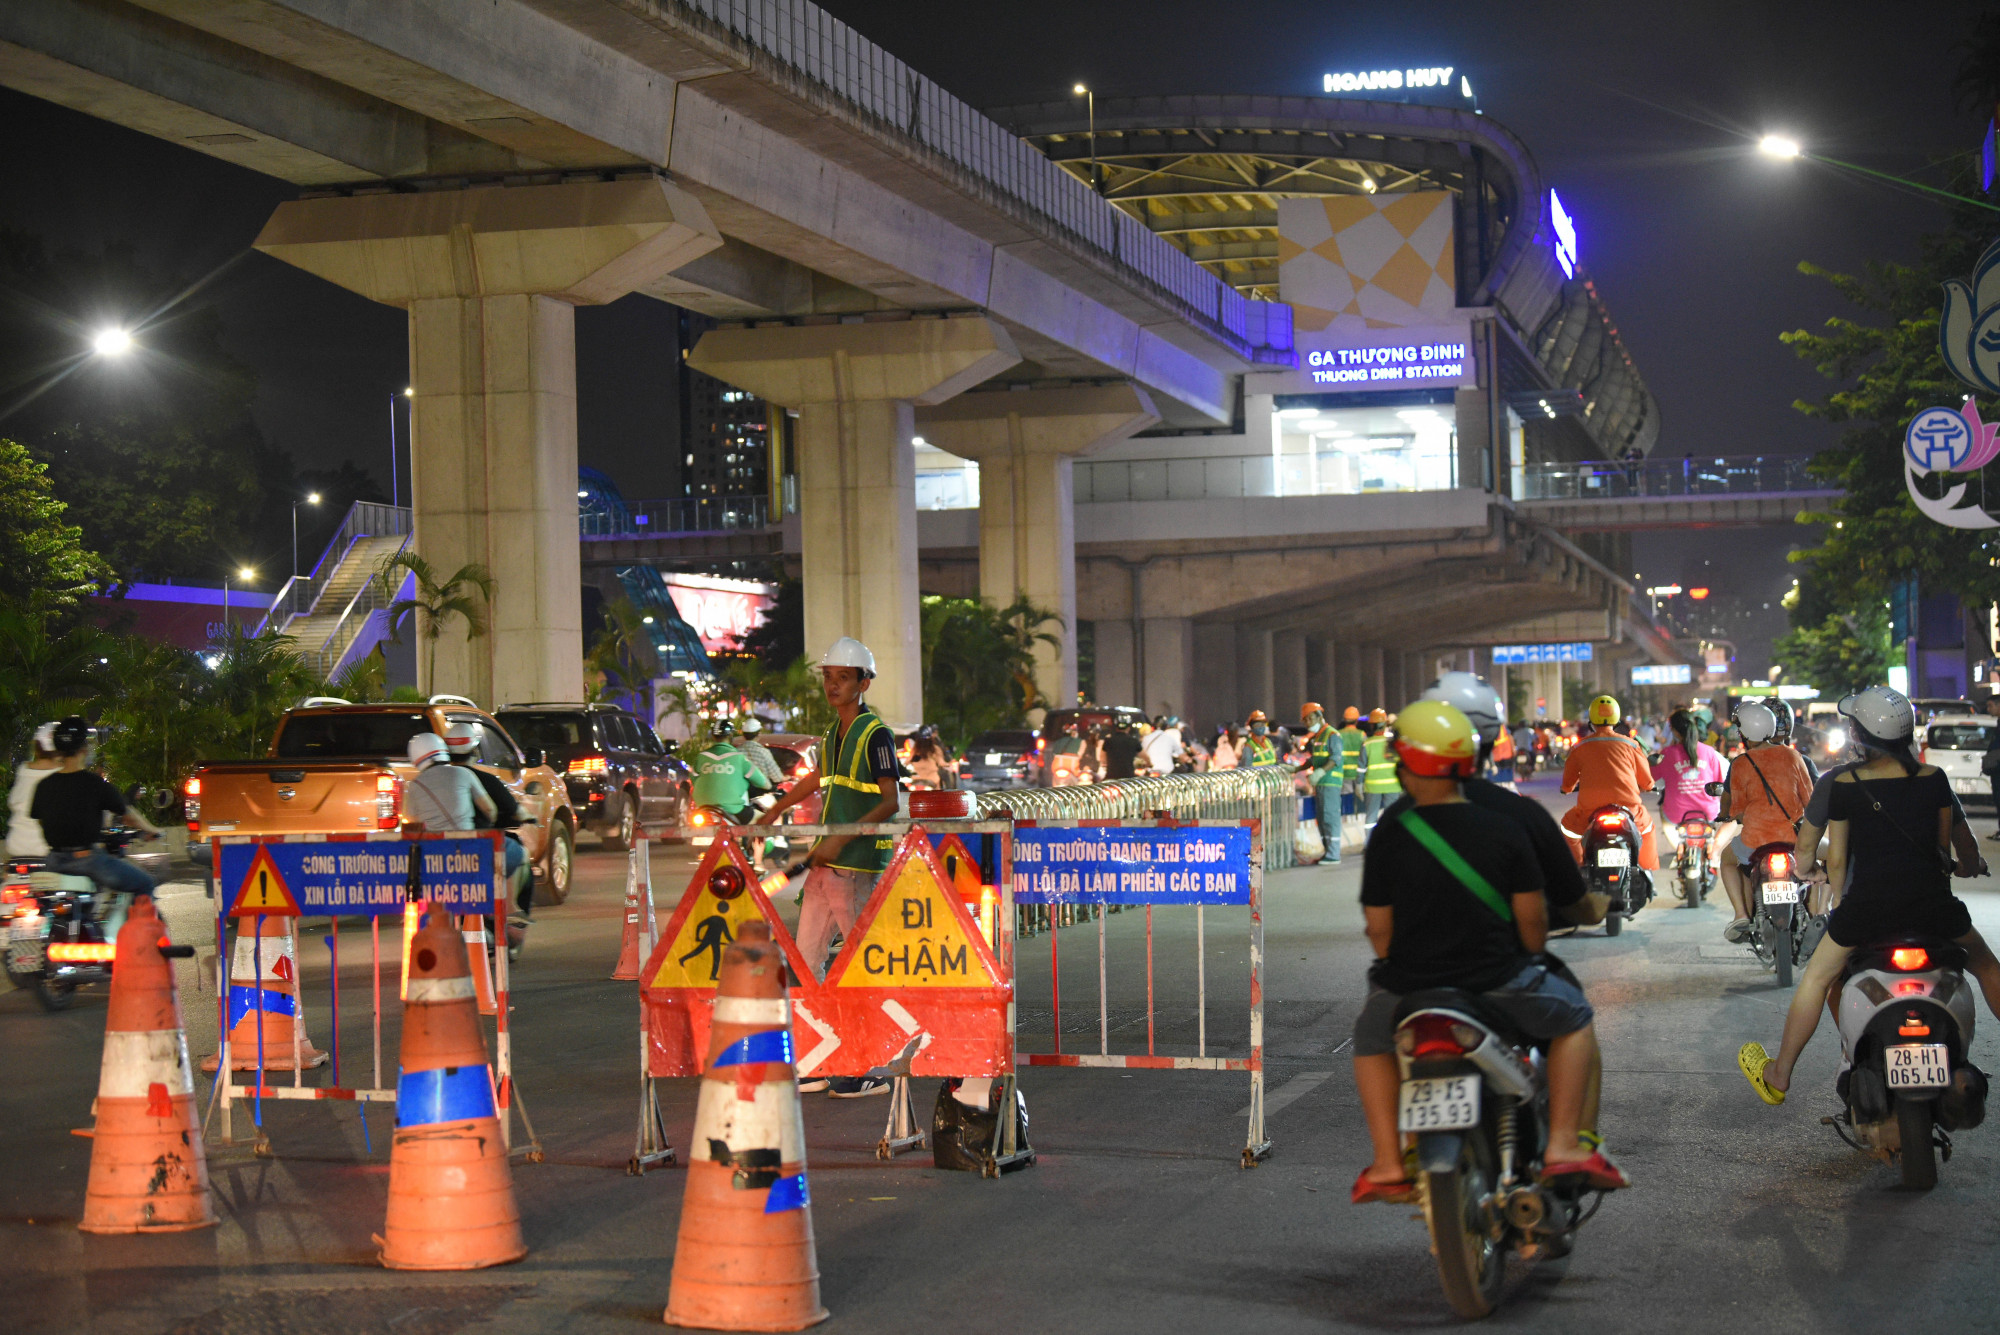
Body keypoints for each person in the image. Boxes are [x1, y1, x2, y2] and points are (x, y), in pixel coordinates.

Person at [1350, 700, 1626, 1203]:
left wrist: (1408, 963)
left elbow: (1379, 932)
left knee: (1369, 1040)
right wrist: (1526, 952)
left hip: (1409, 992)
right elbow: (1532, 925)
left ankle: (1389, 1162)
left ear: (1403, 762)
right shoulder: (1507, 826)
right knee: (1575, 1020)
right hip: (1500, 983)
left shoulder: (1391, 830)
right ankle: (1564, 1143)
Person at [1739, 685, 2000, 1105]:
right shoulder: (1934, 778)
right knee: (1986, 965)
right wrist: (1970, 864)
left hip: (1865, 912)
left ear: (1858, 735)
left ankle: (1780, 1073)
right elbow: (1960, 844)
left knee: (1818, 979)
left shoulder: (1840, 781)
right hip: (1933, 908)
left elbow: (1814, 853)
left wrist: (1811, 873)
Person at [757, 637, 901, 1097]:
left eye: (843, 678)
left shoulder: (876, 734)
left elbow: (890, 801)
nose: (833, 686)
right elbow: (820, 777)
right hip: (824, 868)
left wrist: (842, 837)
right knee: (806, 961)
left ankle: (872, 1064)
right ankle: (821, 1060)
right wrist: (776, 809)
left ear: (864, 682)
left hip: (857, 864)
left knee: (861, 966)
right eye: (828, 678)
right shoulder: (829, 735)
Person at [28, 718, 166, 928]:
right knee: (144, 883)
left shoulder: (44, 786)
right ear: (84, 748)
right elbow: (128, 814)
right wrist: (152, 830)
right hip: (88, 861)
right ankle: (140, 945)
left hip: (54, 861)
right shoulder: (94, 784)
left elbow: (40, 822)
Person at [1716, 700, 1814, 944]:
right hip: (1794, 840)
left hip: (1754, 842)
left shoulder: (1740, 763)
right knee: (1829, 858)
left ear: (1745, 733)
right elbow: (1810, 800)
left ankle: (1740, 915)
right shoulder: (1793, 756)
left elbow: (1737, 810)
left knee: (1726, 860)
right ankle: (1821, 911)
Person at [441, 720, 532, 917]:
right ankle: (510, 911)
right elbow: (506, 811)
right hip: (477, 845)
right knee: (518, 853)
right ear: (475, 751)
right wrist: (528, 817)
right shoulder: (485, 780)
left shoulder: (434, 781)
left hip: (440, 850)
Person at [1559, 696, 1657, 871]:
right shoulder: (1631, 745)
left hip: (1589, 812)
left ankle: (1579, 866)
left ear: (1591, 720)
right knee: (1648, 828)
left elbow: (1568, 783)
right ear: (1616, 720)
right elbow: (1647, 782)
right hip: (1630, 811)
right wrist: (1649, 787)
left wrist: (1566, 789)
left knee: (1568, 828)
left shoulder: (1580, 747)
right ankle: (1646, 869)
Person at [1653, 708, 1725, 880]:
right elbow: (1719, 781)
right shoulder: (1709, 752)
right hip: (1708, 812)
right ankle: (1712, 852)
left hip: (1677, 813)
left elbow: (1652, 778)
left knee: (1663, 812)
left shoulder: (1667, 754)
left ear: (1676, 731)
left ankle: (1680, 848)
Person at [403, 730, 496, 833]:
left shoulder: (415, 785)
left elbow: (412, 822)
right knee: (512, 845)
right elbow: (489, 810)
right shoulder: (464, 773)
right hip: (467, 841)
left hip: (434, 845)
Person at [1296, 702, 1344, 867]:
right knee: (1322, 818)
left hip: (1330, 782)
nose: (1308, 723)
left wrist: (1321, 772)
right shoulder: (1318, 737)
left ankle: (1333, 853)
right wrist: (1295, 768)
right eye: (1305, 720)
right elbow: (1313, 759)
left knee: (1330, 817)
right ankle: (1328, 852)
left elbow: (1336, 758)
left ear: (1319, 716)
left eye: (1310, 718)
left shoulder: (1332, 735)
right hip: (1321, 783)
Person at [6, 722, 62, 859]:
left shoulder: (23, 771)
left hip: (16, 848)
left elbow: (13, 803)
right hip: (50, 852)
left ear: (36, 748)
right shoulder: (64, 775)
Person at [1359, 717, 1399, 827]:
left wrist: (1359, 784)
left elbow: (1361, 768)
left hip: (1373, 786)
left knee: (1371, 818)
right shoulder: (1393, 741)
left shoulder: (1367, 743)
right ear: (1385, 724)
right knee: (1392, 816)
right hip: (1392, 786)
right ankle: (1392, 842)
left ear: (1372, 725)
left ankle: (1370, 842)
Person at [738, 715, 786, 788]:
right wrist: (788, 778)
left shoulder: (737, 752)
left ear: (744, 734)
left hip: (741, 791)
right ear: (759, 733)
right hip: (761, 792)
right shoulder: (763, 752)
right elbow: (777, 778)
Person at [1338, 707, 1367, 816]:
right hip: (1358, 772)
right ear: (1357, 720)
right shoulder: (1361, 734)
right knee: (1359, 798)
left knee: (1346, 798)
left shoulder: (1338, 734)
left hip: (1344, 772)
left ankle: (1347, 818)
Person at [907, 725, 951, 789]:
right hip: (932, 780)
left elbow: (908, 761)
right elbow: (941, 762)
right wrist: (948, 765)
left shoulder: (915, 750)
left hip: (916, 779)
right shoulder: (935, 749)